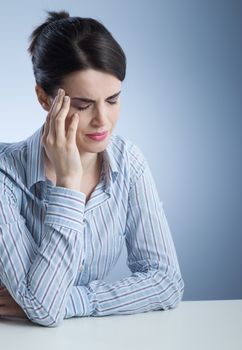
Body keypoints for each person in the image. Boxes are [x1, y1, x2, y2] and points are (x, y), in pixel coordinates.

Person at [0, 10, 184, 327]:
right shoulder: (5, 176)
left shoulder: (128, 161)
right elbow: (44, 309)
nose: (102, 120)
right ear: (44, 99)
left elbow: (166, 283)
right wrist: (68, 184)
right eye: (83, 105)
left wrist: (72, 301)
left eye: (112, 99)